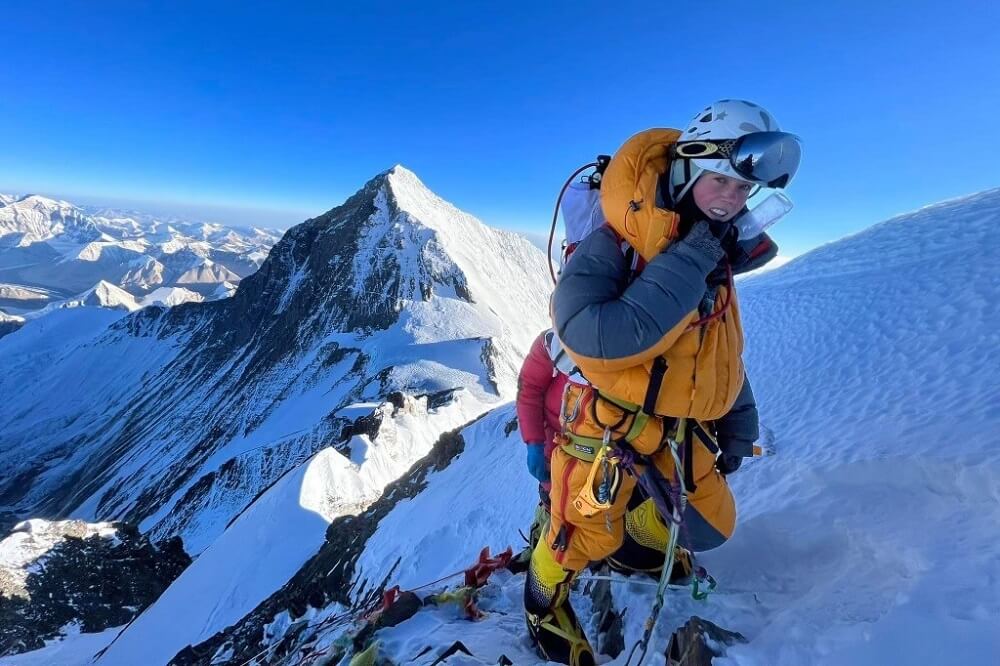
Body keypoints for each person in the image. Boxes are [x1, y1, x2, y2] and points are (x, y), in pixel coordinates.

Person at [523, 100, 801, 665]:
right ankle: (541, 594)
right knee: (583, 533)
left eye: (743, 189)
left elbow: (717, 352)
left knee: (710, 523)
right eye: (720, 179)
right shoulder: (618, 240)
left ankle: (637, 548)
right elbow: (596, 335)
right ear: (689, 165)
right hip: (603, 429)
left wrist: (737, 419)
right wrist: (692, 257)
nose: (730, 197)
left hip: (676, 426)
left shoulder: (713, 252)